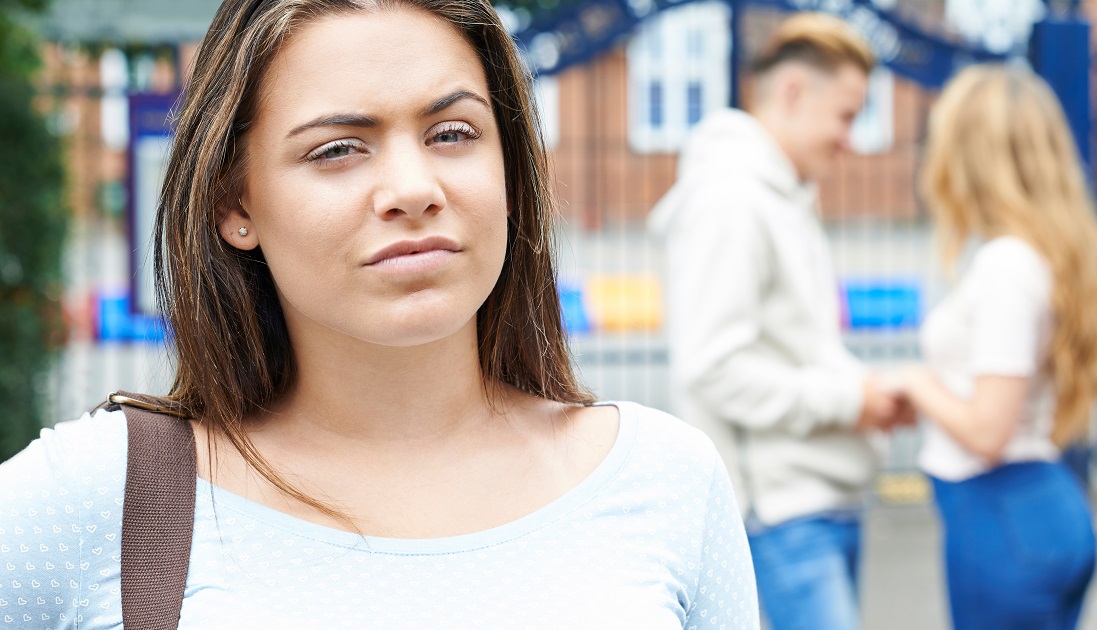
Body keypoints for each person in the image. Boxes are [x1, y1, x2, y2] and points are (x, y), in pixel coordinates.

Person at [0, 0, 760, 627]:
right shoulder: (103, 494)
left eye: (452, 133)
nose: (413, 186)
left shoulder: (663, 479)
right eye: (337, 149)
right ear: (236, 203)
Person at [648, 13, 912, 630]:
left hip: (820, 502)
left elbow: (792, 347)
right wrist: (851, 399)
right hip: (784, 513)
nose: (850, 139)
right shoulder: (732, 200)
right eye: (846, 115)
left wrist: (862, 392)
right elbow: (714, 368)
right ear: (792, 91)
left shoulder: (781, 193)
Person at [891, 64, 1097, 629]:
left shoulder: (1007, 266)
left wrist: (916, 383)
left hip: (1000, 519)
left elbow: (988, 431)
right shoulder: (1040, 256)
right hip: (1038, 511)